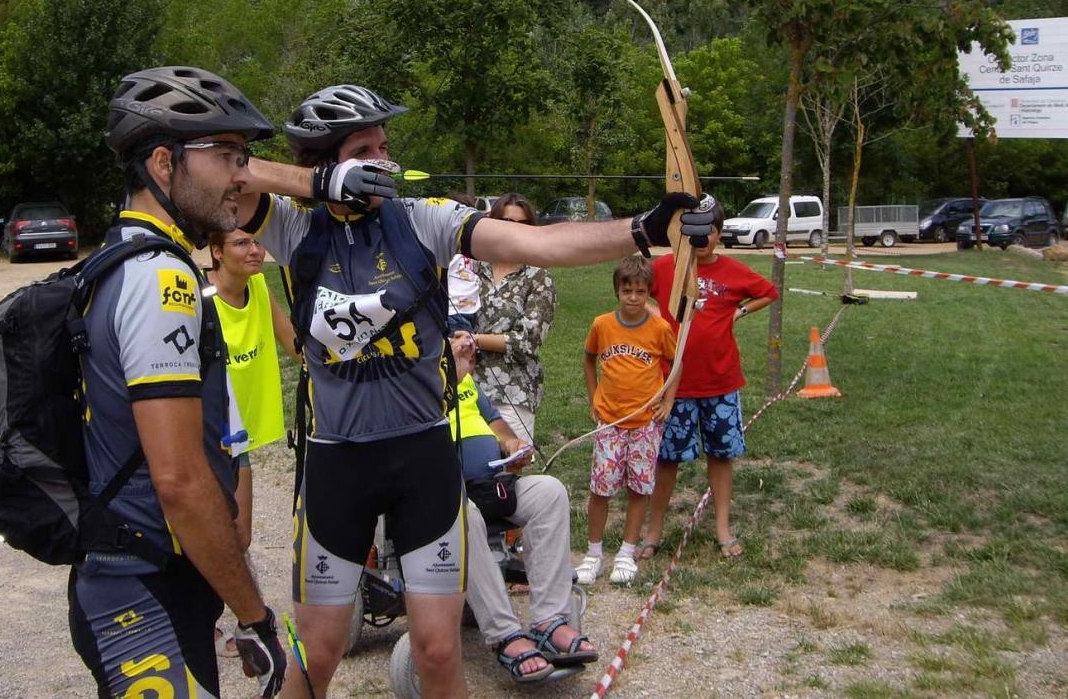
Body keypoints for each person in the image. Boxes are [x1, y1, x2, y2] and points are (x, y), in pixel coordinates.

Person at [231, 83, 714, 699]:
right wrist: (320, 184)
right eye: (363, 152)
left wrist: (645, 228)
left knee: (438, 652)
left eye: (384, 147)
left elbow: (540, 243)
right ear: (324, 162)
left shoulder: (424, 219)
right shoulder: (294, 228)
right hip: (336, 461)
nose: (383, 162)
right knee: (319, 652)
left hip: (422, 458)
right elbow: (223, 170)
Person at [71, 66, 290, 699]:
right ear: (164, 164)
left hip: (152, 574)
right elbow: (180, 479)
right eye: (227, 155)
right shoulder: (160, 278)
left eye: (243, 157)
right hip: (139, 584)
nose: (242, 175)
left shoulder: (124, 257)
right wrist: (254, 613)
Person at [448, 332, 597, 683]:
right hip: (444, 492)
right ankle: (504, 634)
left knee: (549, 492)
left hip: (489, 484)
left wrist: (509, 443)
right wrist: (446, 377)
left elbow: (494, 421)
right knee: (462, 514)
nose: (463, 342)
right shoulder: (414, 379)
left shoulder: (467, 380)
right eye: (453, 336)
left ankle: (549, 620)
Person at [641, 197, 779, 560]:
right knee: (667, 459)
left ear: (719, 233)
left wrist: (739, 312)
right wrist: (655, 314)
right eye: (695, 231)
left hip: (720, 381)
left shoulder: (732, 270)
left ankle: (722, 528)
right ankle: (653, 532)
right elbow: (632, 287)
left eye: (711, 231)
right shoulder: (666, 267)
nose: (703, 239)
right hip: (674, 385)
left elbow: (768, 292)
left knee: (721, 455)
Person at [205, 228, 298, 657]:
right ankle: (210, 620)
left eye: (257, 241)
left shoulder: (259, 287)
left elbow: (294, 343)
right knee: (207, 531)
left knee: (239, 533)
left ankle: (239, 617)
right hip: (207, 435)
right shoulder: (201, 302)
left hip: (239, 436)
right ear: (216, 251)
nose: (255, 250)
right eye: (242, 243)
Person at [576, 255, 678, 586]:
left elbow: (676, 363)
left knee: (638, 488)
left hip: (646, 423)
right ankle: (593, 554)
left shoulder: (660, 328)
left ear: (649, 293)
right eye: (626, 291)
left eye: (640, 291)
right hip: (610, 421)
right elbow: (589, 359)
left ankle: (626, 553)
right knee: (601, 489)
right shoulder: (602, 325)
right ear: (617, 291)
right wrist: (593, 397)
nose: (633, 298)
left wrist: (667, 400)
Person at [471, 193, 556, 447]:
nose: (514, 229)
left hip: (513, 393)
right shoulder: (472, 267)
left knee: (510, 465)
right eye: (507, 221)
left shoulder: (538, 276)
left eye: (523, 224)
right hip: (466, 389)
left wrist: (473, 340)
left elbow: (527, 341)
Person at [445, 191, 482, 334]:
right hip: (453, 311)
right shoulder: (444, 245)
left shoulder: (474, 246)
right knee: (461, 345)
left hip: (473, 310)